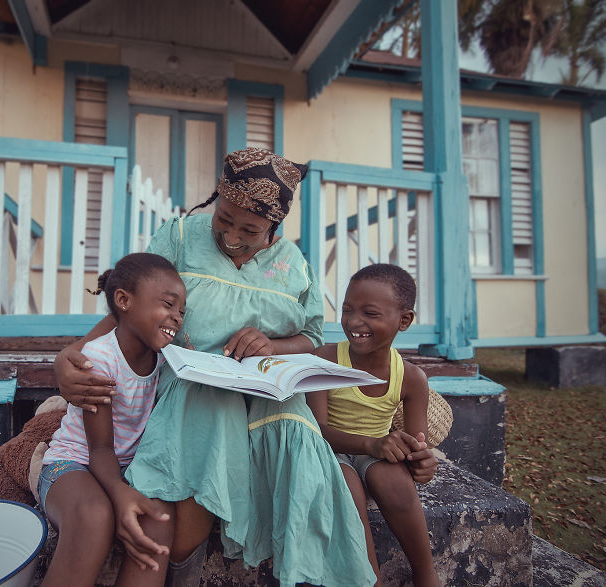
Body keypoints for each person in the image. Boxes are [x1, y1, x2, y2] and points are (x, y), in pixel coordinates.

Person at [54, 148, 376, 587]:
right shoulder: (182, 236)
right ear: (215, 201)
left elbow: (314, 337)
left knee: (297, 440)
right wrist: (72, 354)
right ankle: (182, 569)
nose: (231, 236)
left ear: (273, 226)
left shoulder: (295, 266)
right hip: (193, 383)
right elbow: (132, 303)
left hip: (268, 390)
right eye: (224, 219)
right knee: (210, 415)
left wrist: (273, 344)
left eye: (251, 229)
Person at [38, 252, 186, 587]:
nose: (176, 317)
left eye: (181, 311)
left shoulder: (166, 362)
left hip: (129, 468)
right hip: (74, 464)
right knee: (95, 515)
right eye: (167, 304)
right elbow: (100, 448)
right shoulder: (98, 359)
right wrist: (120, 494)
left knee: (158, 517)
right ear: (123, 300)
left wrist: (126, 490)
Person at [306, 264, 440, 587]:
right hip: (329, 452)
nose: (354, 322)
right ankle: (370, 581)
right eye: (347, 310)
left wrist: (423, 461)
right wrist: (372, 445)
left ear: (404, 320)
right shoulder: (324, 359)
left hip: (374, 454)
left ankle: (426, 575)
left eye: (370, 313)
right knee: (348, 488)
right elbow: (317, 431)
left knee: (396, 481)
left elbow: (416, 442)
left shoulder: (411, 378)